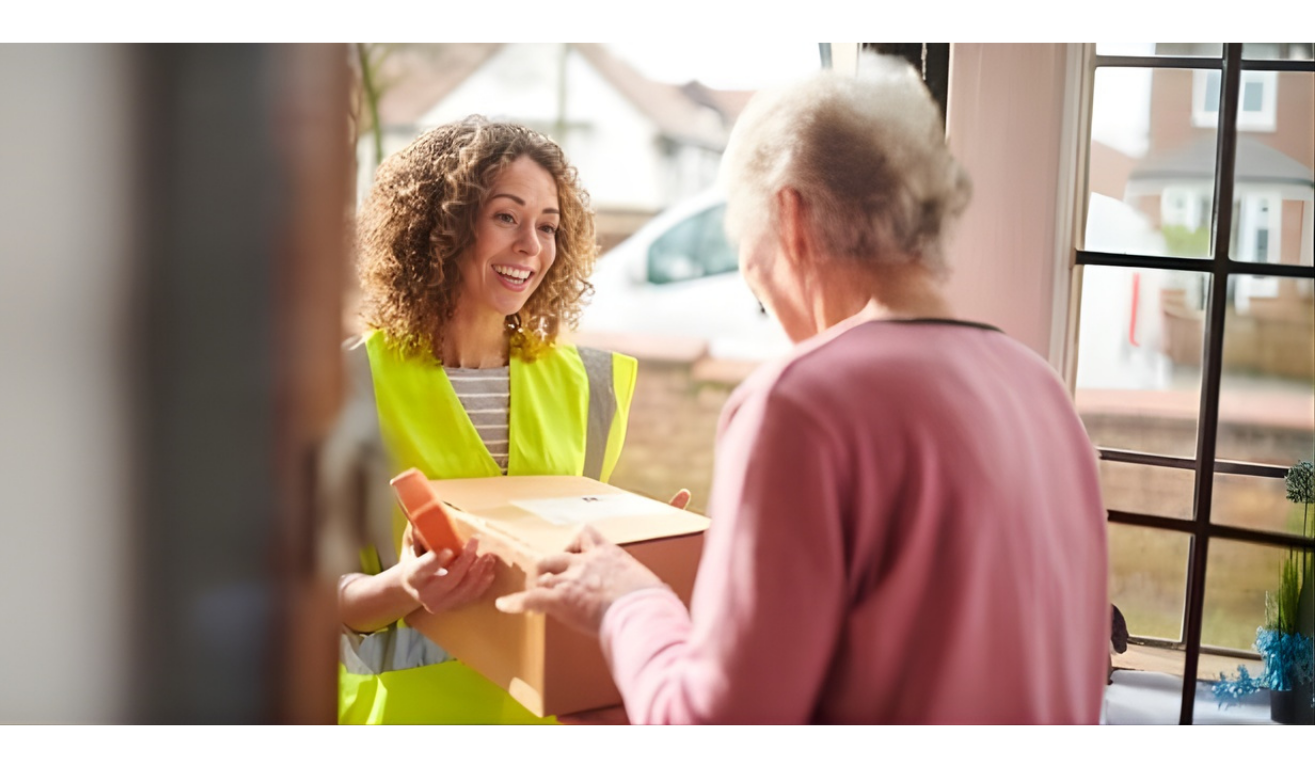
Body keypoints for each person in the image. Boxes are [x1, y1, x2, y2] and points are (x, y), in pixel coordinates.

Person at [497, 55, 1110, 724]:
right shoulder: (1041, 390)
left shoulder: (801, 403)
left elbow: (717, 729)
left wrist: (627, 601)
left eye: (745, 249)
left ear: (789, 217)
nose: (753, 279)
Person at [325, 116, 680, 724]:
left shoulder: (590, 387)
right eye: (507, 217)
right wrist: (407, 586)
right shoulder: (348, 385)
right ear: (444, 225)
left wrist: (650, 544)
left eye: (548, 227)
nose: (531, 247)